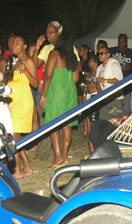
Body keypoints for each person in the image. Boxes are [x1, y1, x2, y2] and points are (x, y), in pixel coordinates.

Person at [88, 75, 132, 151]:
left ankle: (95, 154)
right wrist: (122, 119)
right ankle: (96, 153)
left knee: (99, 125)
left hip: (129, 136)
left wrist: (118, 122)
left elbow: (129, 121)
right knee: (102, 125)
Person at [40, 33, 80, 167]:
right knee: (66, 124)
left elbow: (48, 76)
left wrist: (43, 95)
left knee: (53, 124)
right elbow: (75, 79)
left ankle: (58, 157)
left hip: (57, 92)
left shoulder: (55, 54)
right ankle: (64, 156)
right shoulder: (73, 57)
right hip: (70, 93)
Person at [8, 35, 38, 179]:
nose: (14, 45)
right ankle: (27, 167)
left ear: (25, 46)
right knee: (16, 137)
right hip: (13, 102)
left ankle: (17, 170)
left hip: (23, 102)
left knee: (14, 136)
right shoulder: (14, 63)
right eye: (13, 43)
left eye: (18, 43)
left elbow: (36, 84)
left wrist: (25, 70)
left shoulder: (27, 61)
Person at [110, 33, 132, 115]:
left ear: (126, 42)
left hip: (126, 83)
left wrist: (129, 67)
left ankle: (125, 122)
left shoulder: (131, 54)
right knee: (114, 104)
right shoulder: (112, 51)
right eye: (119, 41)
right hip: (114, 82)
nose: (121, 43)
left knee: (126, 105)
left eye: (123, 41)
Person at [95, 44, 124, 120]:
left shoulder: (114, 64)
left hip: (115, 99)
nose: (100, 55)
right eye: (98, 53)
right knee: (104, 121)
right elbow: (97, 82)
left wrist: (104, 80)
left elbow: (119, 81)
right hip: (104, 99)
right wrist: (99, 91)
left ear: (108, 55)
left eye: (102, 53)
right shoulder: (99, 68)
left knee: (114, 122)